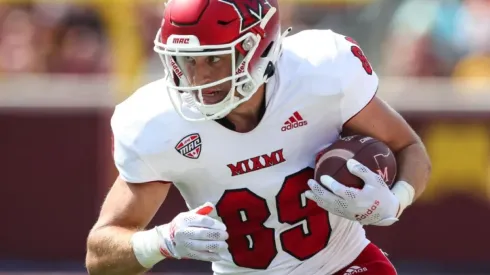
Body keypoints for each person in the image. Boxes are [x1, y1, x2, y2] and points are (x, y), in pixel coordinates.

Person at [85, 0, 431, 274]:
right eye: (185, 61)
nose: (196, 78)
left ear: (258, 47)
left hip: (343, 264)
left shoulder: (320, 72)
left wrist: (394, 200)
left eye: (214, 60)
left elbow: (409, 148)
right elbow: (99, 257)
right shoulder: (155, 121)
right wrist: (161, 242)